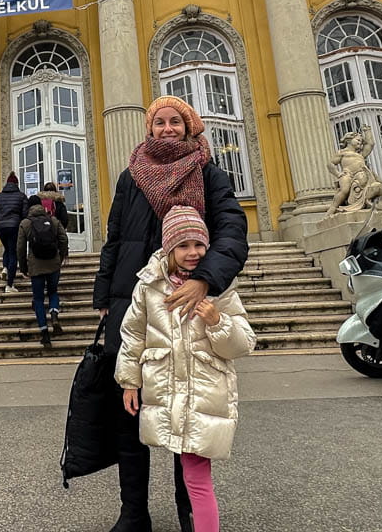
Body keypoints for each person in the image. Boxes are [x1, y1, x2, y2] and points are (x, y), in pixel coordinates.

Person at [94, 95, 248, 532]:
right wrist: (104, 297)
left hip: (188, 300)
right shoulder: (131, 175)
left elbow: (233, 232)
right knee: (131, 411)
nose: (166, 129)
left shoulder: (209, 173)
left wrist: (207, 279)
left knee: (187, 413)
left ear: (188, 126)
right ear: (149, 128)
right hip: (134, 299)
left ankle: (189, 513)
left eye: (174, 122)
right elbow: (115, 236)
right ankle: (133, 512)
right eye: (159, 122)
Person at [116, 206, 256, 532]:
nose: (193, 253)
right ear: (169, 248)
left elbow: (244, 343)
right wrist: (129, 381)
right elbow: (133, 334)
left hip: (203, 393)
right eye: (183, 245)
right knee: (190, 469)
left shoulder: (218, 284)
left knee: (196, 473)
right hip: (165, 389)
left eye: (199, 245)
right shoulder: (149, 285)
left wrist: (217, 322)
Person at [17, 194, 69, 347]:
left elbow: (20, 248)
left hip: (36, 265)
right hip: (53, 264)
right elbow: (64, 238)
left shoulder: (25, 223)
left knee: (38, 299)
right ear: (41, 205)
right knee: (53, 292)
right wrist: (61, 256)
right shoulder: (52, 220)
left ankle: (45, 334)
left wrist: (24, 267)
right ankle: (54, 314)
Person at [0, 171, 29, 293]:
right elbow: (25, 214)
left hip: (1, 227)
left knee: (7, 248)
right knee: (13, 253)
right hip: (15, 227)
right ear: (17, 184)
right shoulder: (22, 196)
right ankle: (9, 285)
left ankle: (5, 268)